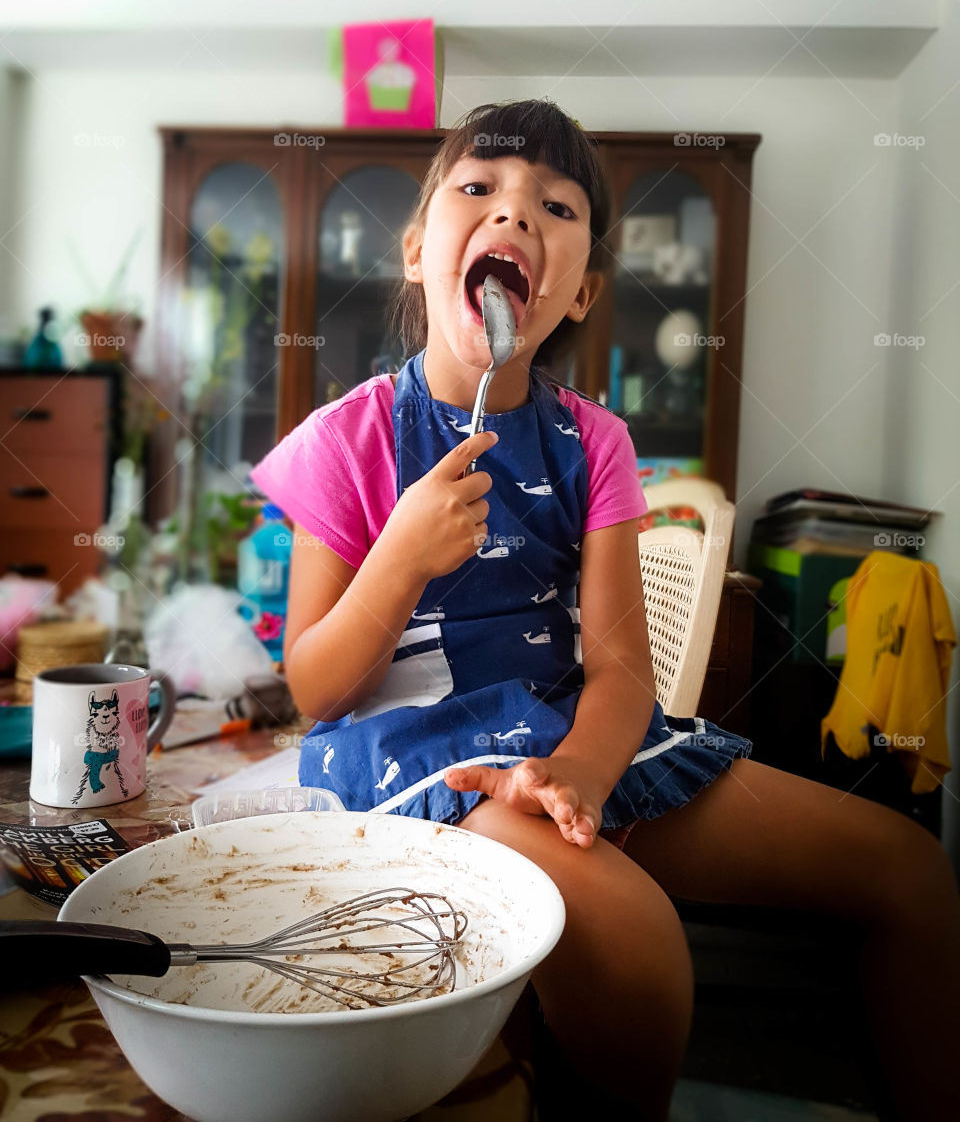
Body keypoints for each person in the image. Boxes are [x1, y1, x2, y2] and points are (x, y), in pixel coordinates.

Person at [251, 99, 960, 1121]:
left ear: (577, 291)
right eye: (479, 188)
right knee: (635, 941)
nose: (514, 216)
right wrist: (400, 555)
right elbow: (315, 683)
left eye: (555, 204)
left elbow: (624, 668)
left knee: (911, 868)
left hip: (571, 737)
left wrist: (580, 774)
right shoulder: (346, 438)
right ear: (416, 251)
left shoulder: (596, 443)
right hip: (423, 760)